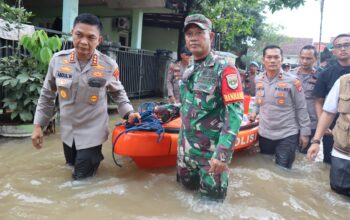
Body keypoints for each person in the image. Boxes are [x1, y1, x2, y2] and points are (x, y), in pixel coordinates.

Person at [31, 13, 141, 180]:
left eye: (91, 37)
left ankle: (91, 162)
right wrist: (38, 125)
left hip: (93, 132)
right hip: (68, 132)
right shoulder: (58, 61)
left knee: (79, 182)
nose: (83, 42)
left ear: (99, 40)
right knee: (72, 167)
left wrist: (129, 113)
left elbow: (118, 92)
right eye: (79, 35)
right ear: (72, 33)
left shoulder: (108, 66)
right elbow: (47, 94)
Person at [176, 14, 243, 201]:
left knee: (211, 208)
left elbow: (235, 114)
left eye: (199, 33)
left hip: (210, 157)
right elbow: (188, 104)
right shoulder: (190, 69)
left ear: (211, 37)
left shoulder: (225, 69)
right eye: (189, 34)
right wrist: (166, 110)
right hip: (185, 153)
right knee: (183, 200)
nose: (193, 38)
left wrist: (222, 154)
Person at [250, 45, 311, 169]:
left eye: (276, 57)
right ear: (263, 60)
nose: (272, 60)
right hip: (265, 132)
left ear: (281, 60)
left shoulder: (293, 81)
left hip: (287, 134)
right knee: (264, 166)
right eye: (269, 57)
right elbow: (258, 100)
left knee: (282, 170)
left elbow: (301, 107)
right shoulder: (258, 79)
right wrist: (253, 112)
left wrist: (305, 133)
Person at [308, 73, 350, 197]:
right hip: (343, 154)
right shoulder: (343, 82)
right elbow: (328, 113)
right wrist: (316, 142)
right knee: (338, 197)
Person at [313, 34, 350, 164]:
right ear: (334, 51)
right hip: (333, 127)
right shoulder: (326, 73)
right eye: (339, 46)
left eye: (347, 45)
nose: (343, 49)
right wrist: (322, 125)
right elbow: (318, 100)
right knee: (330, 164)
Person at [290, 45, 318, 153]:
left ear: (315, 59)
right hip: (291, 123)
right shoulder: (290, 75)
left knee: (305, 156)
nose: (304, 61)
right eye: (302, 58)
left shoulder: (321, 76)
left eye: (308, 58)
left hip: (311, 123)